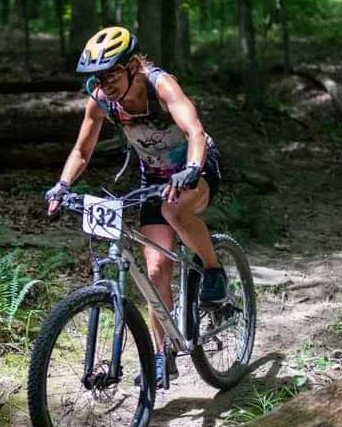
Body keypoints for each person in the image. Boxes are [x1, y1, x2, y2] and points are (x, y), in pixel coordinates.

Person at [44, 26, 225, 388]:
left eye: (112, 74)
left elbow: (193, 131)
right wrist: (62, 186)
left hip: (197, 167)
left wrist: (190, 170)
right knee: (155, 268)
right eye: (99, 76)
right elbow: (82, 150)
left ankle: (213, 269)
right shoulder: (101, 99)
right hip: (154, 179)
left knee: (176, 212)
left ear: (133, 67)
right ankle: (162, 355)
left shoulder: (161, 85)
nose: (105, 83)